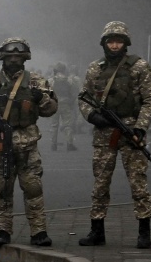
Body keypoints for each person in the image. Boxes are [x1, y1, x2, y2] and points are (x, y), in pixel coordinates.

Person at [0, 37, 58, 247]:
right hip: (1, 144)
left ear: (25, 58)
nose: (14, 60)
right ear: (3, 58)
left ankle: (39, 232)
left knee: (33, 188)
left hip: (28, 144)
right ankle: (3, 230)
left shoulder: (37, 82)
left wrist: (41, 99)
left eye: (18, 56)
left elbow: (51, 110)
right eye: (10, 57)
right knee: (3, 189)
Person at [78, 21, 151, 249]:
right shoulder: (95, 68)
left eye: (119, 41)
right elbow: (84, 98)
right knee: (100, 183)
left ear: (125, 43)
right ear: (104, 43)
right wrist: (92, 116)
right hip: (104, 133)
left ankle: (145, 231)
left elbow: (149, 101)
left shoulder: (139, 67)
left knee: (138, 183)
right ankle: (97, 230)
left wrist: (140, 127)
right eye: (111, 41)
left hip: (131, 131)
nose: (115, 45)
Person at [50, 61, 78, 151]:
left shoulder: (51, 80)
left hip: (54, 105)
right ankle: (69, 143)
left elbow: (47, 93)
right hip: (66, 104)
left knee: (54, 125)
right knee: (68, 124)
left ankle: (53, 144)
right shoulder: (69, 80)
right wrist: (71, 103)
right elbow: (74, 93)